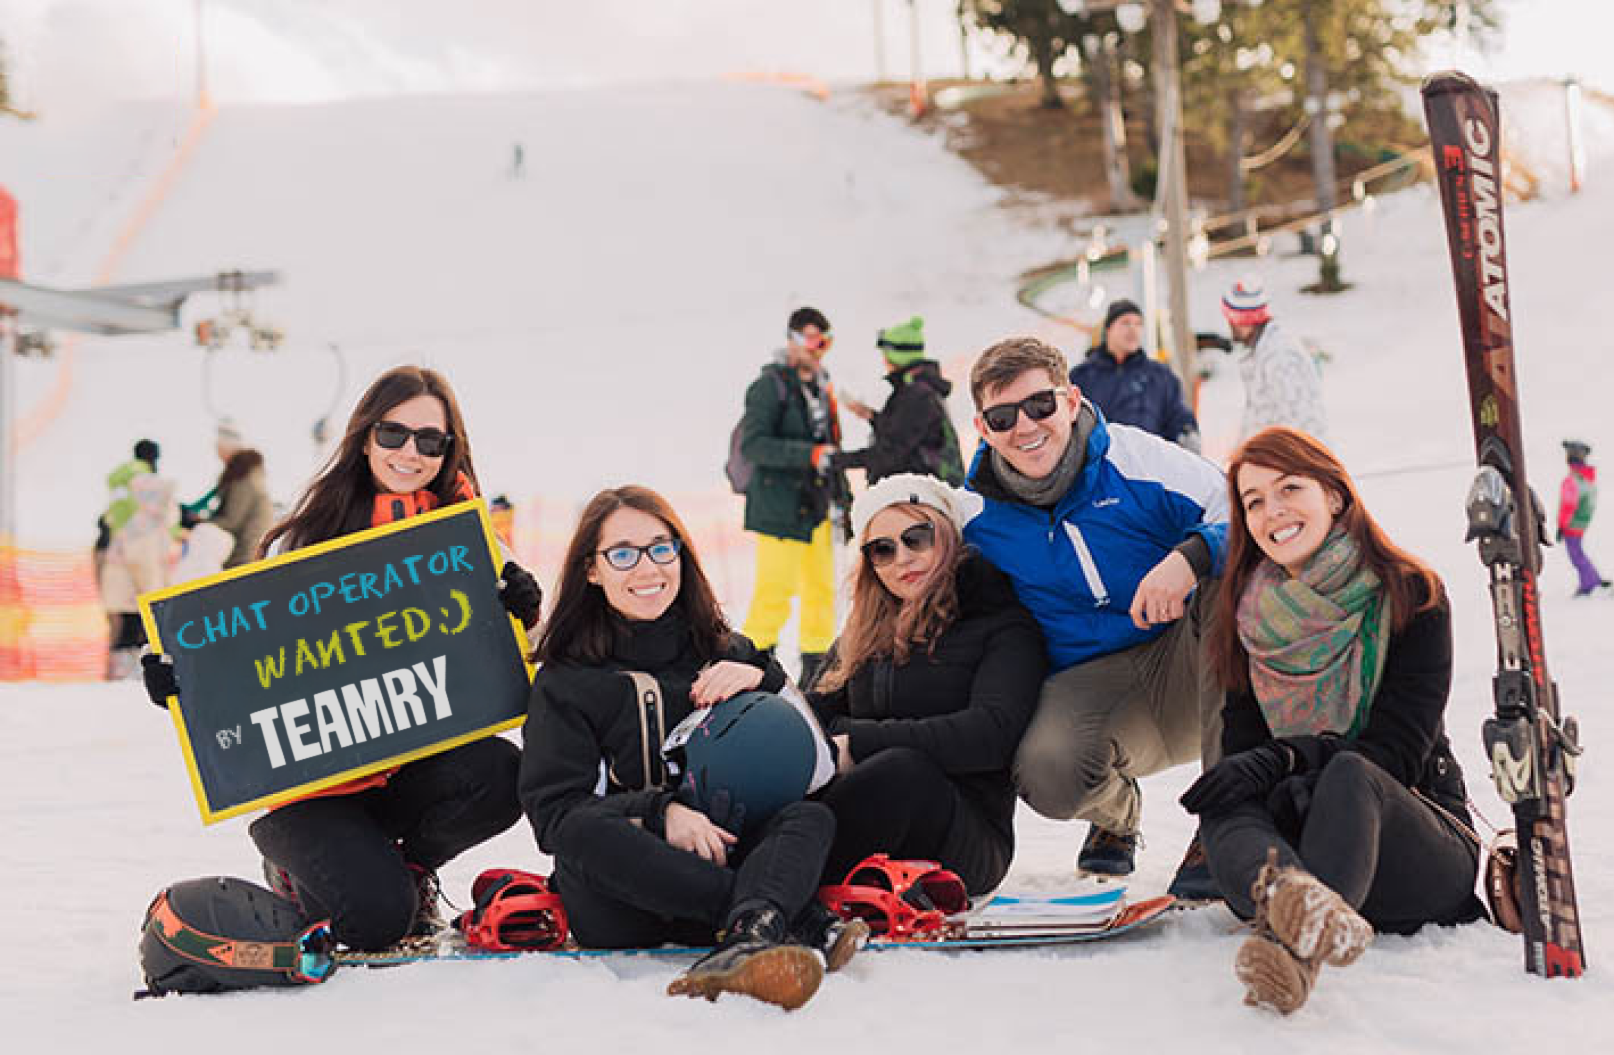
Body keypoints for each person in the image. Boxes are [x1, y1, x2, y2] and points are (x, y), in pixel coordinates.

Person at [141, 366, 543, 952]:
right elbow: (245, 651)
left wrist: (520, 614)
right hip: (317, 787)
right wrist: (181, 678)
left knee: (502, 775)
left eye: (431, 441)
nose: (411, 452)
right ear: (364, 436)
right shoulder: (304, 536)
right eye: (393, 434)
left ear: (450, 450)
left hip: (408, 765)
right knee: (376, 926)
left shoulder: (469, 538)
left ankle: (404, 867)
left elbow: (517, 661)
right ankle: (297, 863)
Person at [1181, 427, 1483, 1014]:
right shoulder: (1243, 616)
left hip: (1411, 838)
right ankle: (1290, 893)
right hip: (1301, 833)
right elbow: (1247, 748)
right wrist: (1247, 774)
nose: (1274, 512)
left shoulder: (1411, 593)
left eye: (1289, 487)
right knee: (1227, 794)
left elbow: (1396, 752)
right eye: (1254, 501)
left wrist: (1290, 756)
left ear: (1335, 495)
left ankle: (1291, 952)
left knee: (1350, 773)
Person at [518, 485, 854, 1011]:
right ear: (591, 570)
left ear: (681, 553)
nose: (647, 568)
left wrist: (762, 679)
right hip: (628, 895)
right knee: (581, 833)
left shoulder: (727, 649)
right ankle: (768, 918)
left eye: (660, 547)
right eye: (623, 554)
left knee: (809, 819)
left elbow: (819, 768)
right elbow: (553, 816)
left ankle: (749, 935)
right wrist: (660, 813)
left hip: (724, 848)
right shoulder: (567, 679)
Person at [956, 336, 1228, 900]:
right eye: (1003, 417)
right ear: (982, 429)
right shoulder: (976, 516)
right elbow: (903, 574)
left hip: (1186, 653)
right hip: (1092, 684)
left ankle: (1229, 818)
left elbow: (1242, 509)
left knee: (1234, 583)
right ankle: (1117, 813)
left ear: (1073, 401)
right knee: (1046, 770)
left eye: (1040, 405)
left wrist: (1188, 558)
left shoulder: (1135, 460)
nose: (1025, 428)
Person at [810, 473, 1045, 897]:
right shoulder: (863, 633)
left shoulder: (1000, 623)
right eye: (882, 550)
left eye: (917, 537)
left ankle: (793, 887)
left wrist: (858, 743)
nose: (902, 558)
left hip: (966, 835)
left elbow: (990, 734)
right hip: (871, 814)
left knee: (903, 770)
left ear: (948, 537)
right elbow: (815, 714)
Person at [738, 306, 850, 688]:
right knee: (775, 591)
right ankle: (750, 664)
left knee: (821, 590)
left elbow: (832, 445)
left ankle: (815, 674)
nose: (818, 349)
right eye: (811, 339)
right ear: (791, 340)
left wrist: (844, 500)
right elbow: (754, 445)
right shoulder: (769, 387)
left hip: (817, 506)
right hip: (779, 510)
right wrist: (808, 456)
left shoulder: (823, 385)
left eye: (825, 341)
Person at [836, 316, 966, 486]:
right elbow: (905, 432)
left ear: (896, 356)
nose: (884, 360)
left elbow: (891, 453)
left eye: (886, 354)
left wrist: (837, 460)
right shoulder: (920, 388)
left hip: (915, 497)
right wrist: (871, 417)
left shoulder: (916, 396)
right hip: (917, 491)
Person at [1068, 299, 1201, 451]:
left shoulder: (1161, 376)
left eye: (1138, 324)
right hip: (1099, 466)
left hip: (1148, 467)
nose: (1133, 329)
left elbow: (1177, 414)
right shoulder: (1082, 377)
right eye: (1125, 323)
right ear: (1108, 329)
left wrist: (1188, 435)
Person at [100, 438, 175, 678]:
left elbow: (112, 517)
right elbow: (165, 519)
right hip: (144, 550)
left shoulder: (117, 482)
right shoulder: (149, 482)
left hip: (118, 551)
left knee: (123, 615)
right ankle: (140, 667)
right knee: (149, 612)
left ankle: (120, 668)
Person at [1222, 277, 1327, 442]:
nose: (1228, 324)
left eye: (1230, 318)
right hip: (1271, 459)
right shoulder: (1262, 352)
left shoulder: (1280, 357)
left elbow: (1298, 422)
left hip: (1295, 462)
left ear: (1240, 319)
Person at [186, 419, 274, 570]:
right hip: (246, 554)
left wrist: (199, 523)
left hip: (243, 558)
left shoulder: (243, 482)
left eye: (219, 449)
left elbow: (232, 521)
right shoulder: (246, 477)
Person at [1558, 439, 1609, 597]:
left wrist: (1562, 525)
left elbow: (1568, 505)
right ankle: (1592, 579)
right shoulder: (1586, 480)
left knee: (1576, 555)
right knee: (1578, 553)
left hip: (1572, 524)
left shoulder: (1572, 481)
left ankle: (1590, 582)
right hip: (1581, 522)